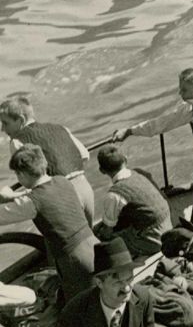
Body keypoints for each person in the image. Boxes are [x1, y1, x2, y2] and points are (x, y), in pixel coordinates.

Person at [112, 67, 193, 230]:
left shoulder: (190, 107)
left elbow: (161, 124)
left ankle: (191, 241)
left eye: (185, 90)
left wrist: (130, 131)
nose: (180, 93)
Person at [0, 144, 98, 300]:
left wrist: (7, 197)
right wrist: (14, 197)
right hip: (95, 245)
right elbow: (45, 193)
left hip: (75, 259)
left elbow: (8, 213)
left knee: (79, 304)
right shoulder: (62, 181)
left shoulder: (32, 202)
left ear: (22, 175)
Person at [0, 95, 95, 226]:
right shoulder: (60, 128)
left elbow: (29, 181)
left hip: (62, 197)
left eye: (5, 123)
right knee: (87, 233)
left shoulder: (17, 142)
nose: (2, 129)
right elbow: (84, 156)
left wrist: (11, 196)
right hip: (85, 188)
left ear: (21, 119)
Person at [94, 145, 172, 258]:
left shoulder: (114, 194)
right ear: (125, 159)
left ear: (102, 171)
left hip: (154, 239)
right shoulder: (138, 173)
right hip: (167, 225)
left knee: (104, 238)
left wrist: (98, 233)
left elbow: (107, 232)